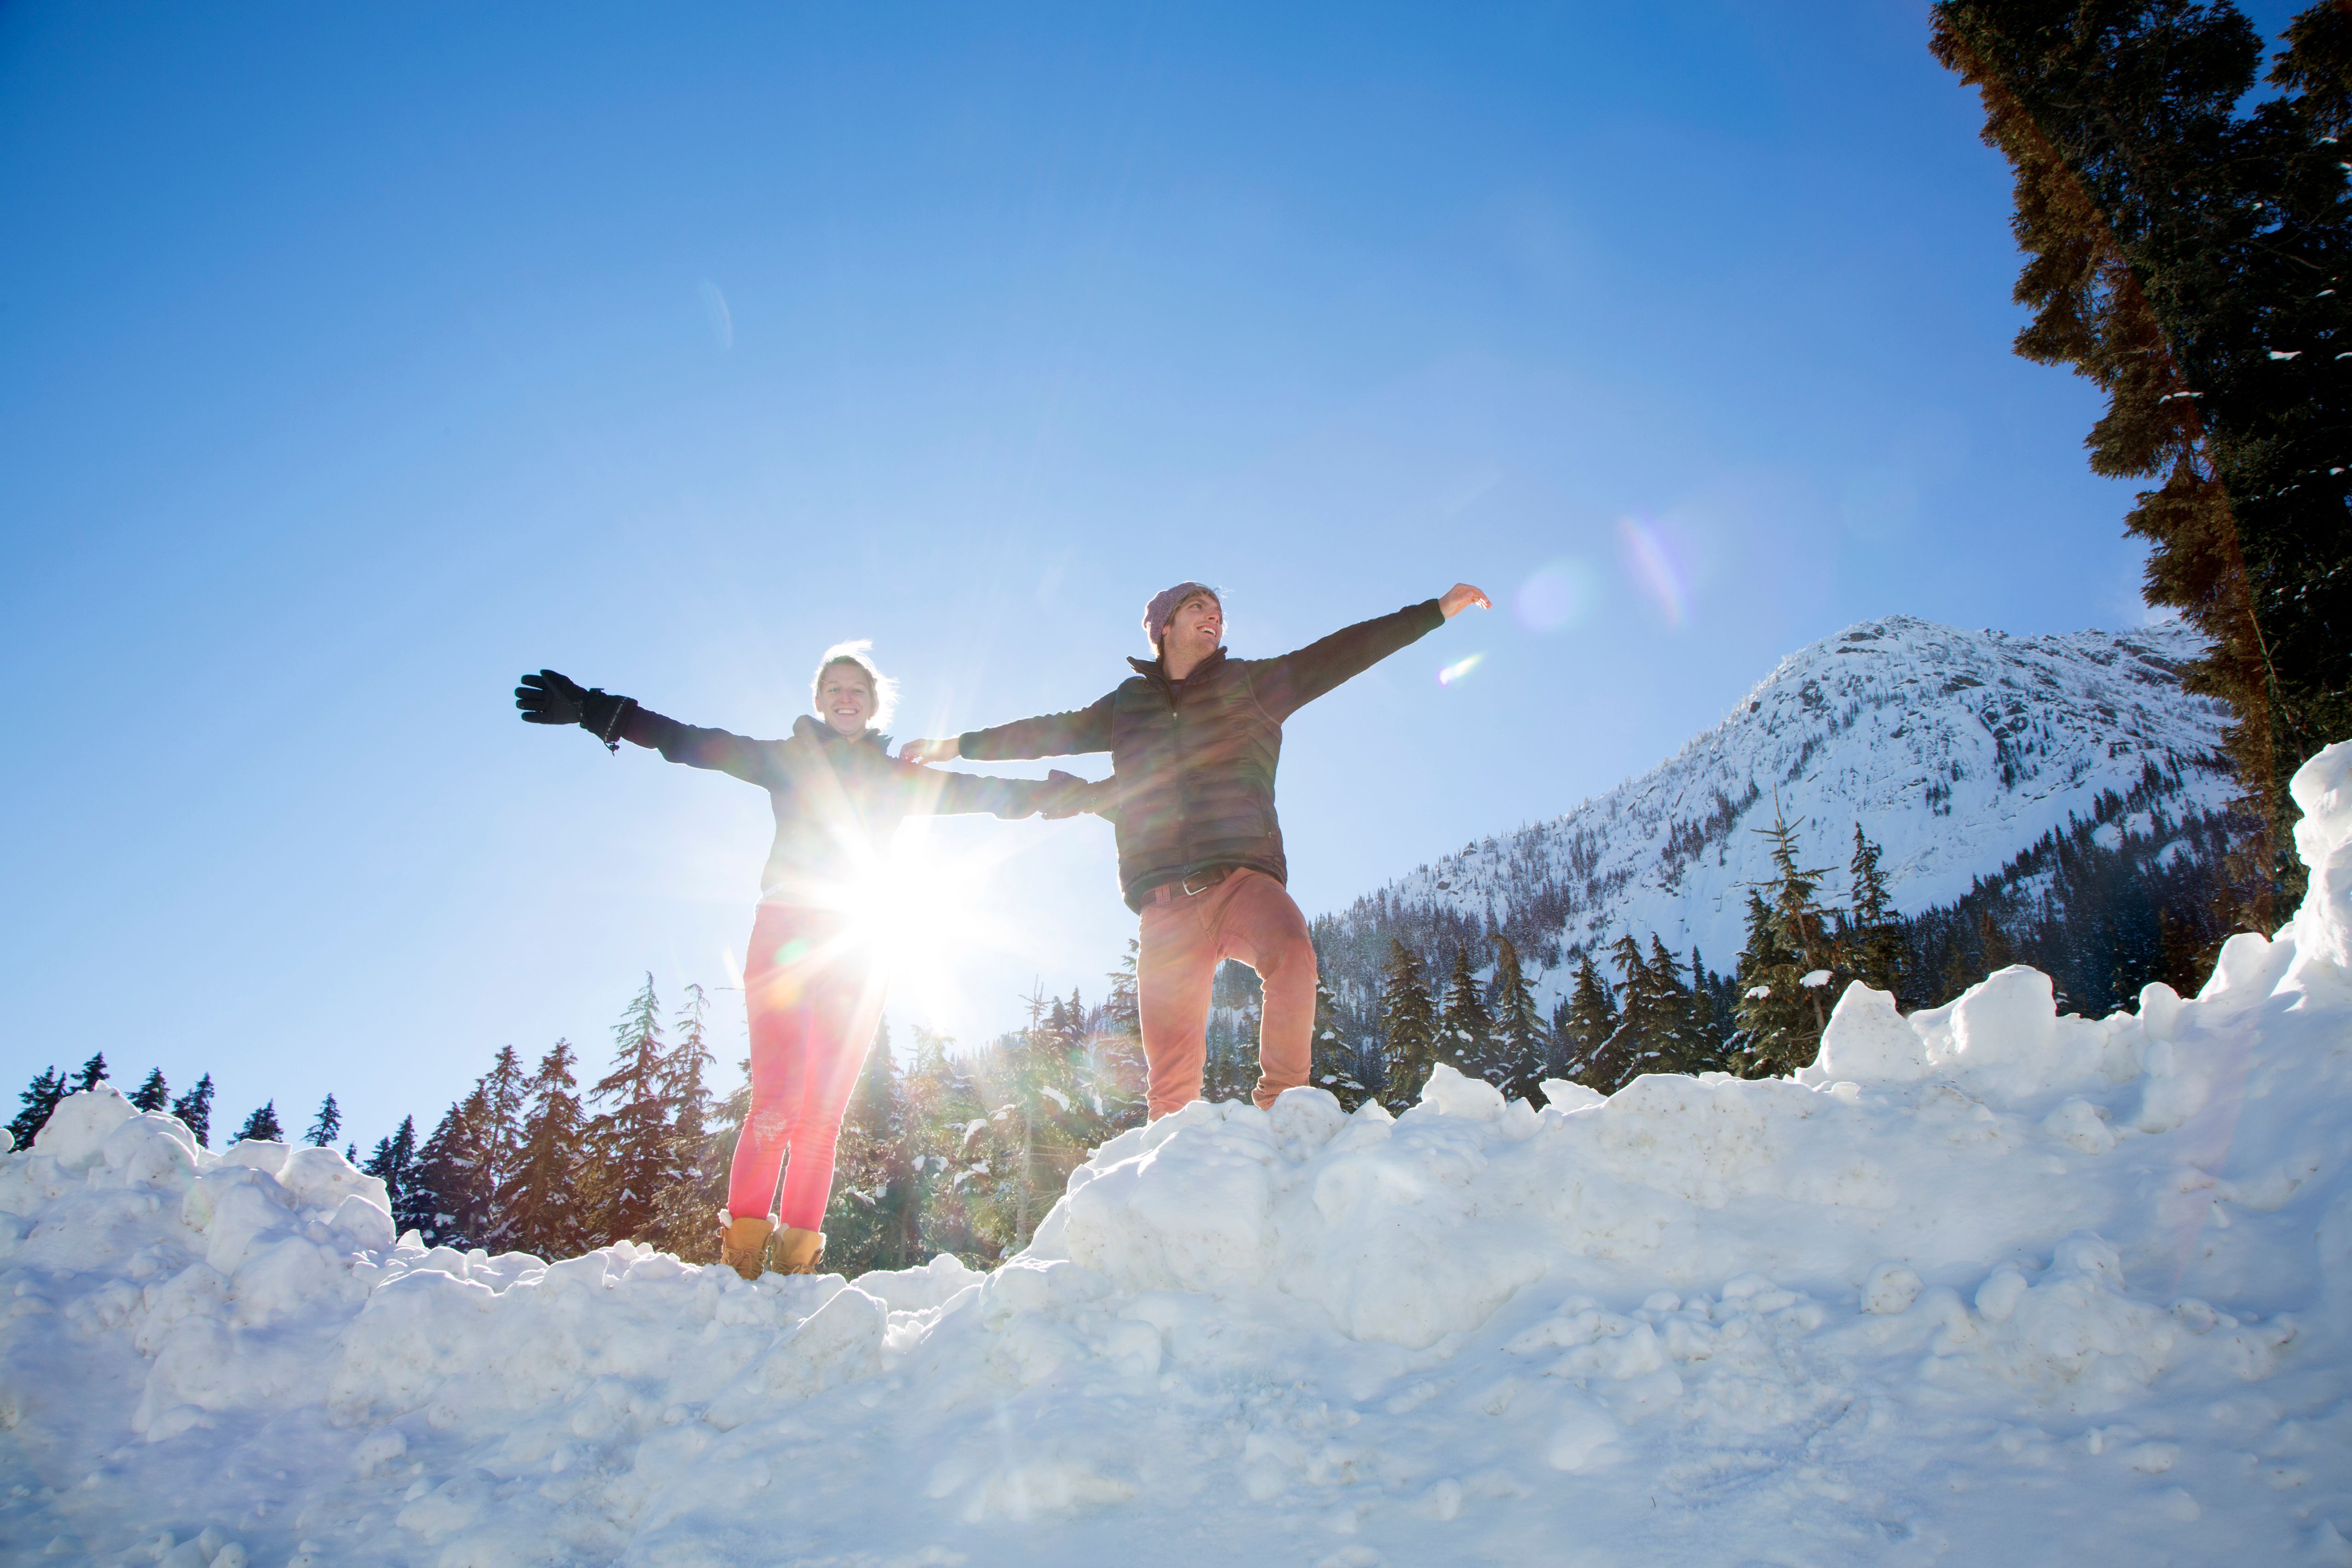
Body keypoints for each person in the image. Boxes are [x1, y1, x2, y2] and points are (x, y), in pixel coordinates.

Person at [515, 645, 1089, 1280]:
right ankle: (739, 1260)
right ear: (818, 700)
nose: (846, 696)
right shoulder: (787, 759)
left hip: (861, 940)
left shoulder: (896, 777)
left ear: (874, 706)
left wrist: (1054, 794)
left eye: (859, 690)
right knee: (779, 1099)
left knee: (822, 1115)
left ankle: (796, 1266)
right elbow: (690, 742)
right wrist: (599, 712)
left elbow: (978, 792)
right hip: (786, 932)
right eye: (835, 687)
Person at [902, 581, 1489, 1121]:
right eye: (1197, 607)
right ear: (1162, 626)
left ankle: (1283, 1108)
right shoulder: (1127, 705)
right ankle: (1170, 1167)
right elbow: (1046, 732)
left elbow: (1342, 651)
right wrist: (956, 744)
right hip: (1162, 902)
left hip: (1242, 878)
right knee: (1170, 1071)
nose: (1214, 616)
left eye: (1218, 611)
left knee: (1291, 951)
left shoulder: (1251, 685)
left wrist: (1434, 611)